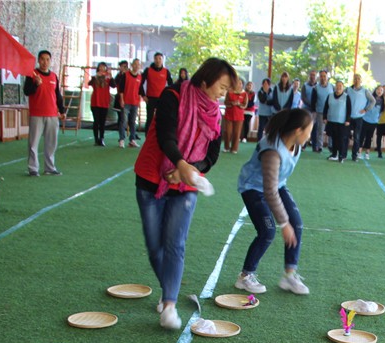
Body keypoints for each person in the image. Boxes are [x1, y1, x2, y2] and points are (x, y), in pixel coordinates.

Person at [133, 57, 237, 329]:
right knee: (155, 247)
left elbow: (211, 156)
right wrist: (180, 163)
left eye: (227, 89)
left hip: (187, 184)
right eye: (222, 86)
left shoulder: (215, 113)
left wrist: (190, 170)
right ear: (205, 80)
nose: (223, 93)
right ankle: (168, 289)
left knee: (175, 244)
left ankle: (169, 303)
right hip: (151, 179)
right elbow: (166, 137)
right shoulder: (173, 96)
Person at [234, 108, 314, 296]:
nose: (309, 136)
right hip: (253, 188)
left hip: (277, 185)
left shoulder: (296, 144)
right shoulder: (272, 150)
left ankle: (289, 275)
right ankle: (245, 276)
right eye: (308, 132)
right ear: (297, 131)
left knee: (297, 224)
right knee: (267, 231)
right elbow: (269, 191)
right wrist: (283, 223)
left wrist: (289, 222)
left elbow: (275, 185)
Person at [23, 49, 65, 176]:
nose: (45, 62)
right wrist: (36, 84)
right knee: (33, 143)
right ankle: (33, 168)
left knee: (51, 143)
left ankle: (50, 167)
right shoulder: (32, 75)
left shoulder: (54, 76)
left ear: (50, 61)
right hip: (37, 114)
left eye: (47, 59)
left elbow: (57, 95)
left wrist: (62, 110)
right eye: (42, 59)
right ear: (38, 60)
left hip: (52, 114)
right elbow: (27, 91)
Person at [140, 52, 173, 132]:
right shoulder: (148, 70)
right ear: (154, 60)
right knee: (150, 119)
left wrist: (168, 97)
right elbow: (140, 83)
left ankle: (158, 138)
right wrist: (143, 95)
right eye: (156, 59)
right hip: (150, 98)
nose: (158, 60)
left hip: (161, 99)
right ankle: (147, 137)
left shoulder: (166, 71)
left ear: (162, 60)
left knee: (161, 118)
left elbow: (171, 85)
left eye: (160, 59)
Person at [345, 74, 374, 161]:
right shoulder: (348, 90)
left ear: (361, 81)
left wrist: (366, 109)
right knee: (345, 136)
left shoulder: (365, 91)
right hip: (349, 117)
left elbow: (373, 101)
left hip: (359, 118)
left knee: (357, 138)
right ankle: (343, 154)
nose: (357, 80)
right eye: (355, 79)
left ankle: (354, 156)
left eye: (358, 79)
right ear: (353, 80)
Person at [116, 57, 143, 147]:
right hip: (126, 102)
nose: (136, 66)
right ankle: (122, 139)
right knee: (124, 121)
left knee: (132, 122)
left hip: (135, 102)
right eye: (135, 64)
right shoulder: (126, 75)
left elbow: (140, 90)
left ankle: (132, 139)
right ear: (131, 65)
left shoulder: (140, 77)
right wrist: (122, 100)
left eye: (138, 65)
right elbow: (121, 89)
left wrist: (139, 101)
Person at [322, 80, 351, 163]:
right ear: (335, 87)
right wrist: (324, 117)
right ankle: (334, 154)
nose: (338, 87)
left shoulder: (346, 97)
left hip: (342, 122)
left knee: (341, 139)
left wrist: (348, 120)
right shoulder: (330, 96)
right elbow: (326, 107)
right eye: (337, 86)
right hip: (331, 121)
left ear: (343, 87)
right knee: (333, 138)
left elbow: (349, 109)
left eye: (340, 86)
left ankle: (341, 156)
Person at [87, 62, 113, 147]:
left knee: (102, 122)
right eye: (100, 67)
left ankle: (101, 138)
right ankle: (96, 139)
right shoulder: (95, 77)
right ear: (98, 68)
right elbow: (89, 83)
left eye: (104, 67)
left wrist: (111, 77)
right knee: (96, 121)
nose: (102, 69)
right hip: (95, 102)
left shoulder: (108, 78)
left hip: (104, 102)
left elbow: (114, 85)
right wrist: (95, 77)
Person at [309, 70, 331, 153]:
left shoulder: (332, 87)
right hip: (320, 112)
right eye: (321, 76)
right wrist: (314, 111)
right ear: (319, 77)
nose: (323, 78)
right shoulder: (316, 88)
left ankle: (331, 146)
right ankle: (320, 146)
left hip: (331, 112)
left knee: (331, 131)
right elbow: (313, 101)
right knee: (320, 131)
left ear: (327, 77)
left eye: (324, 76)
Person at [358, 85, 383, 159]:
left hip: (374, 122)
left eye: (381, 90)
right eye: (378, 89)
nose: (379, 91)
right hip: (365, 119)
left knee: (369, 137)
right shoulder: (370, 98)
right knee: (362, 136)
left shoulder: (382, 101)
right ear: (375, 90)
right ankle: (359, 152)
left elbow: (381, 112)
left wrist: (377, 119)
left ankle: (367, 153)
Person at [223, 78, 246, 153]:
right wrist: (232, 103)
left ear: (242, 85)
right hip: (229, 115)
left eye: (240, 83)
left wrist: (239, 104)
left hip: (239, 116)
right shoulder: (229, 92)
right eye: (237, 83)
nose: (239, 85)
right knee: (227, 132)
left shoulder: (244, 94)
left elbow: (245, 105)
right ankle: (226, 147)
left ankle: (234, 149)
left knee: (237, 133)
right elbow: (225, 102)